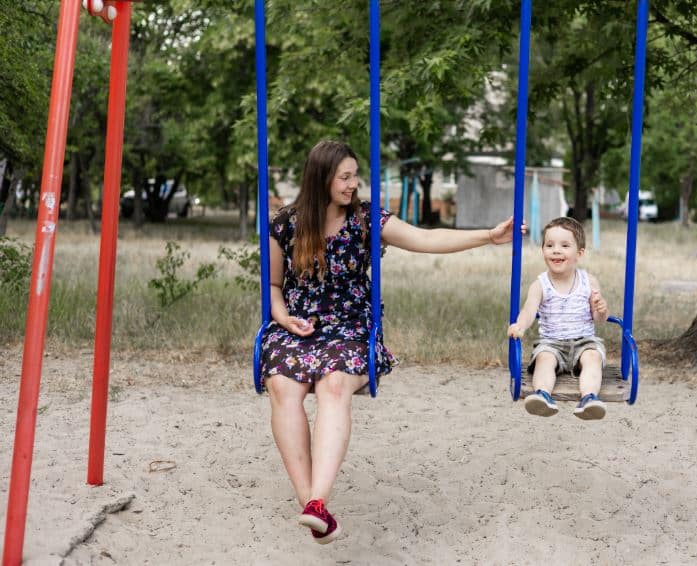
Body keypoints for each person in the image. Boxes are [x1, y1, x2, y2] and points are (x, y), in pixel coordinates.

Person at [260, 140, 521, 544]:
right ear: (321, 178)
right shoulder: (285, 224)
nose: (353, 184)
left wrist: (488, 236)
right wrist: (282, 317)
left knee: (332, 384)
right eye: (344, 177)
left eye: (354, 175)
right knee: (282, 385)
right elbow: (274, 286)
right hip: (296, 325)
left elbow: (426, 239)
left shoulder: (365, 220)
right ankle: (313, 507)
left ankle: (317, 501)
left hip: (349, 327)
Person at [507, 216, 609, 421]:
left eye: (564, 245)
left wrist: (601, 308)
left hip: (584, 342)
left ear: (579, 253)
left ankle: (588, 398)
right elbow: (528, 311)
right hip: (551, 344)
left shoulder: (588, 281)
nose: (556, 250)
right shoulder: (540, 285)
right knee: (544, 358)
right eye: (549, 245)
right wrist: (520, 325)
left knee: (593, 357)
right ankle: (542, 395)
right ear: (542, 250)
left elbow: (599, 318)